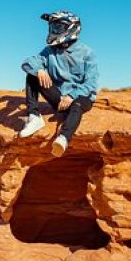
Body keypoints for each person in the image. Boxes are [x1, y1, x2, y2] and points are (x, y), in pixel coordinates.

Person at [19, 10, 98, 156]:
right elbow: (27, 63)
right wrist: (39, 70)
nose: (53, 31)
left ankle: (63, 139)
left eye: (57, 27)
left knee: (78, 106)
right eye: (52, 27)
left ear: (71, 28)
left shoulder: (87, 53)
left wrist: (72, 96)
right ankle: (34, 117)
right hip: (59, 100)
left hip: (79, 99)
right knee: (32, 75)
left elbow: (91, 84)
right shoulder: (49, 51)